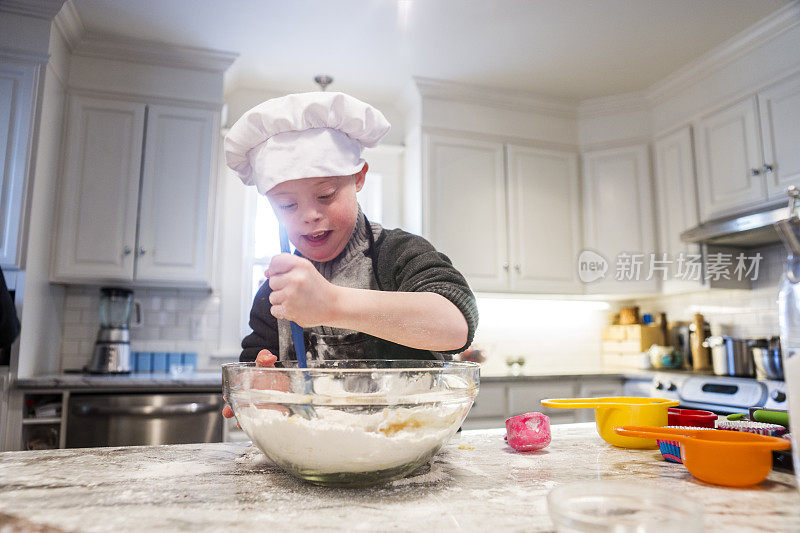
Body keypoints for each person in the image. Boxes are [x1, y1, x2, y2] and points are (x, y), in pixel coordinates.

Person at [221, 92, 478, 419]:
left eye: (325, 195)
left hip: (415, 451)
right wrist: (260, 390)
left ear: (358, 178)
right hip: (315, 454)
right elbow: (258, 364)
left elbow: (455, 326)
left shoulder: (397, 254)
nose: (309, 215)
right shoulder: (276, 294)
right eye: (287, 204)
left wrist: (330, 303)